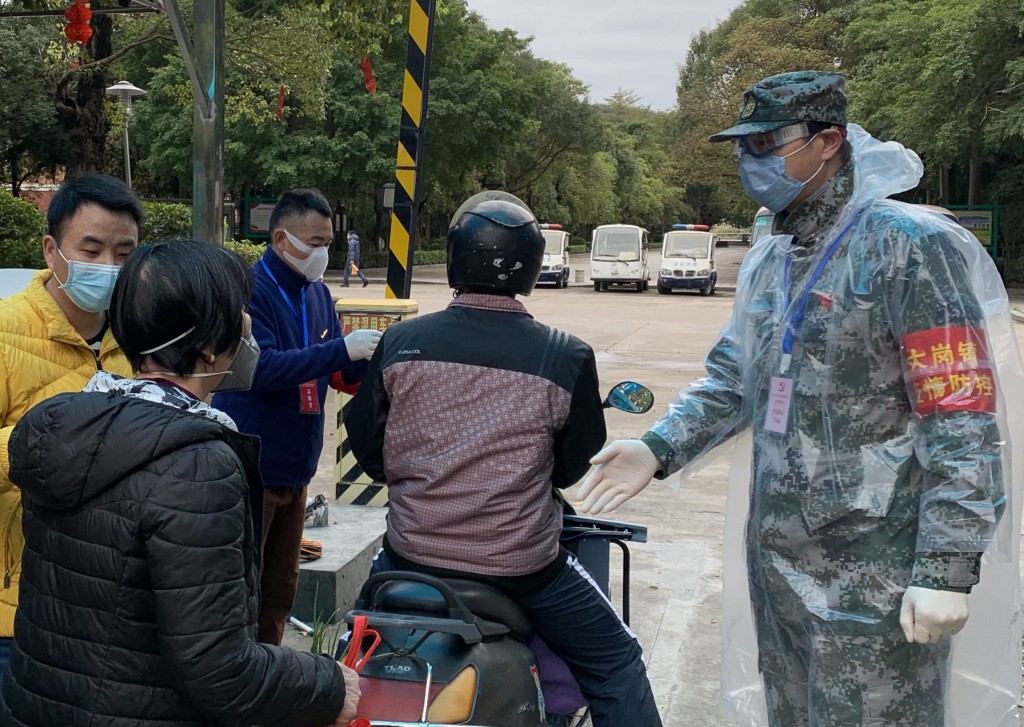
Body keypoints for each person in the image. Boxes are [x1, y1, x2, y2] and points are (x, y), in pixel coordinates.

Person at [577, 71, 1023, 726]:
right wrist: (658, 446)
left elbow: (959, 411)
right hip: (780, 565)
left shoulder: (908, 247)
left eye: (764, 144)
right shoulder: (775, 254)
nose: (747, 161)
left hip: (877, 574)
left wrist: (945, 565)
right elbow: (735, 377)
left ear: (827, 141)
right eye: (741, 147)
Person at [0, 239, 360, 726]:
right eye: (240, 311)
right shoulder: (197, 464)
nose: (248, 324)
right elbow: (218, 666)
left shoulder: (66, 422)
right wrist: (330, 684)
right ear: (210, 344)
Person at [346, 191, 664, 727]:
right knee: (615, 662)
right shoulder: (564, 354)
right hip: (524, 568)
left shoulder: (400, 342)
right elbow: (571, 466)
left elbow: (369, 451)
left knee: (349, 655)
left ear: (453, 258)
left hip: (408, 556)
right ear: (533, 266)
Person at [213, 189, 382, 645]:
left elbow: (341, 371)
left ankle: (268, 676)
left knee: (280, 590)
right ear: (282, 238)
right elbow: (259, 369)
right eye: (315, 241)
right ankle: (235, 679)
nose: (323, 252)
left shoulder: (318, 295)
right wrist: (339, 349)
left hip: (297, 468)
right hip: (253, 468)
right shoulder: (249, 290)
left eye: (329, 241)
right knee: (243, 586)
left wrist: (379, 355)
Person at [0, 173, 142, 676]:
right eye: (92, 250)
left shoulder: (140, 339)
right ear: (50, 250)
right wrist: (49, 442)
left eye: (124, 254)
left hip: (106, 608)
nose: (108, 267)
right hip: (17, 609)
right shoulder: (4, 332)